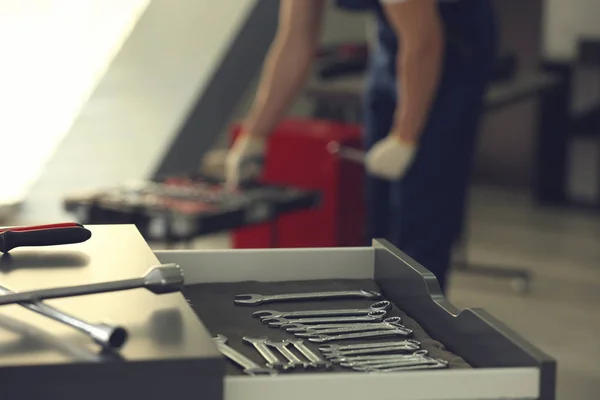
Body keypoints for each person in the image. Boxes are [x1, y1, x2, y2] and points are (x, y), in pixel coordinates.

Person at [225, 0, 497, 292]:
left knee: (422, 211)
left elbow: (423, 43)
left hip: (450, 46)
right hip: (392, 43)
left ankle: (423, 326)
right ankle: (381, 317)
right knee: (377, 213)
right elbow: (295, 40)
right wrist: (255, 135)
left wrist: (406, 137)